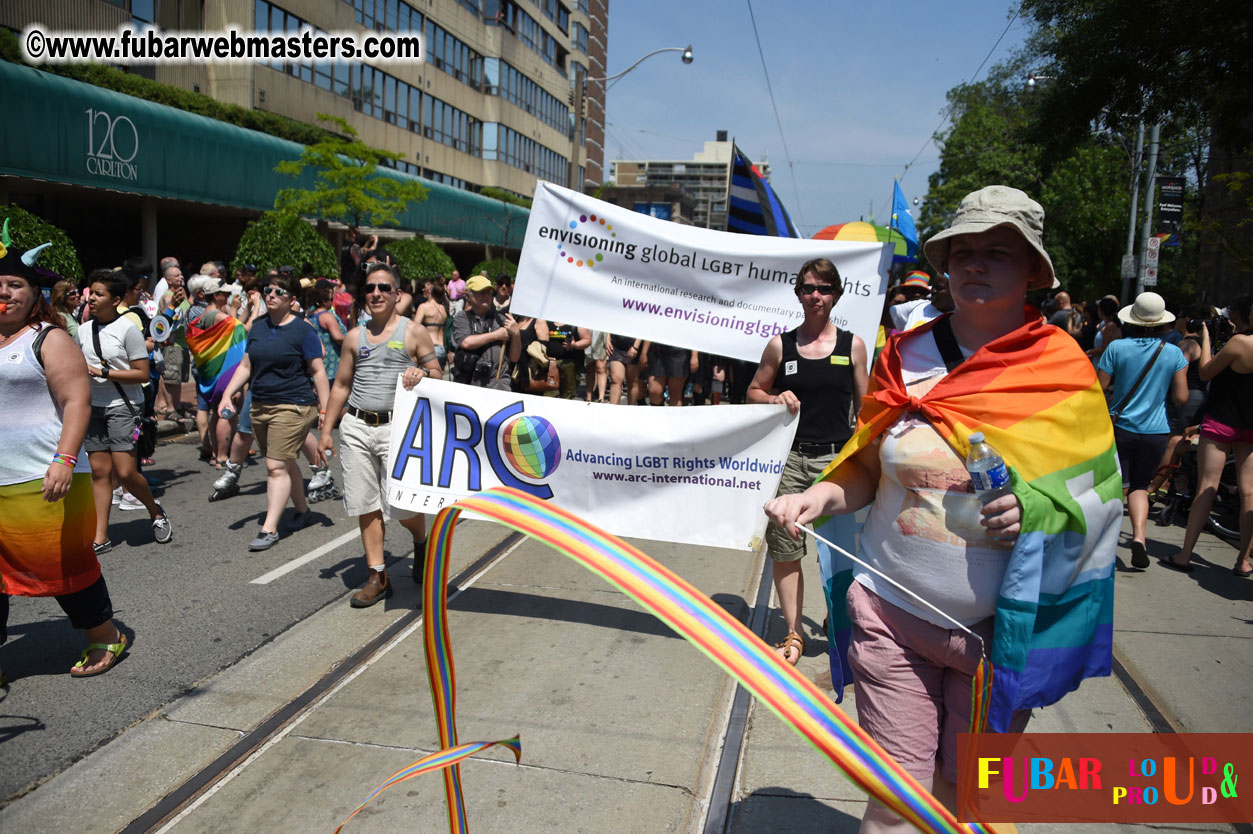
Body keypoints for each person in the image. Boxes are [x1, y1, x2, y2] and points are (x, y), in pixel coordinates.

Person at [765, 186, 1120, 832]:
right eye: (963, 252)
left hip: (999, 639)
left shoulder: (1062, 370)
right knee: (895, 803)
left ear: (1032, 273)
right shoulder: (904, 357)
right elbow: (868, 466)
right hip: (890, 618)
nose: (975, 265)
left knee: (968, 801)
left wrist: (1035, 505)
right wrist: (815, 496)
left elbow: (1099, 493)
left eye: (997, 253)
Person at [0, 236, 130, 682]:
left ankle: (106, 632)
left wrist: (64, 458)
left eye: (14, 284)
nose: (4, 293)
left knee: (63, 566)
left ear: (34, 293)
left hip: (43, 476)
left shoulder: (48, 338)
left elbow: (77, 401)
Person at [748, 257, 867, 666]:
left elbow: (868, 410)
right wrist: (773, 396)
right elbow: (754, 391)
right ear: (797, 293)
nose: (816, 296)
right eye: (808, 288)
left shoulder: (853, 346)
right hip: (791, 461)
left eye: (824, 289)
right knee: (786, 549)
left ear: (836, 295)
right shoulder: (780, 345)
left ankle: (841, 625)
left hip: (837, 464)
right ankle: (794, 633)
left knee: (841, 554)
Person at [319, 264, 443, 605]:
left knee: (402, 507)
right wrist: (327, 430)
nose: (376, 293)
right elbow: (341, 385)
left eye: (384, 288)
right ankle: (378, 576)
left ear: (397, 295)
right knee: (365, 503)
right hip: (357, 426)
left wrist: (423, 374)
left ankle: (421, 543)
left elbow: (437, 374)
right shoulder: (354, 337)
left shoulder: (414, 332)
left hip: (397, 429)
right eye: (371, 287)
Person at [219, 271, 330, 551]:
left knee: (275, 466)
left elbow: (318, 372)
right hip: (261, 405)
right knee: (286, 462)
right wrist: (227, 394)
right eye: (268, 290)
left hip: (293, 405)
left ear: (292, 299)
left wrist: (326, 411)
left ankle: (269, 529)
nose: (271, 294)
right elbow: (246, 365)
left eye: (279, 291)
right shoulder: (257, 326)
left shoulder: (303, 330)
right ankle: (303, 512)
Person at [77, 270, 173, 552]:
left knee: (127, 472)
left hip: (124, 406)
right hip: (94, 407)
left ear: (115, 299)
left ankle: (155, 511)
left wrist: (103, 372)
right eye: (90, 292)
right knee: (99, 471)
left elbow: (142, 373)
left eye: (98, 294)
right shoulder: (83, 330)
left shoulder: (128, 329)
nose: (91, 298)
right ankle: (101, 536)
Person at [1160, 295, 1253, 576]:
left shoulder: (1239, 344)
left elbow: (1206, 371)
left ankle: (1185, 554)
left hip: (1222, 421)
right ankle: (1244, 560)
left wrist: (1208, 337)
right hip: (1250, 426)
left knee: (1207, 486)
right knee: (1249, 492)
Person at [1096, 292, 1188, 569]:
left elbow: (1099, 388)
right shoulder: (1173, 352)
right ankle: (1139, 537)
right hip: (1157, 430)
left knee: (1115, 486)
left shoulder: (1117, 348)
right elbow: (1182, 397)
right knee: (1139, 486)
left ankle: (1102, 542)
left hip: (1121, 426)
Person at [449, 275, 520, 390]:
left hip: (498, 385)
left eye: (488, 292)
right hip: (469, 386)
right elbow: (466, 343)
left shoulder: (502, 320)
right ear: (468, 295)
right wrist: (496, 335)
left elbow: (514, 358)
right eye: (481, 292)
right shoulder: (462, 317)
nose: (485, 295)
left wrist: (516, 334)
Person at [415, 278, 450, 371]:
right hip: (442, 349)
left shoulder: (423, 307)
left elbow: (414, 328)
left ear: (430, 291)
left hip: (429, 348)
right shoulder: (443, 308)